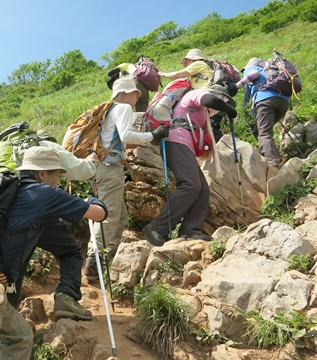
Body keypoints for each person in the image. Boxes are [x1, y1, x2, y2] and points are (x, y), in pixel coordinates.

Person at [0, 147, 107, 360]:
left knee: (20, 337)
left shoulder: (11, 195)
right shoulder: (43, 193)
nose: (59, 181)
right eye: (56, 174)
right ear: (42, 173)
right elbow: (99, 215)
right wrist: (95, 201)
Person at [84, 78, 169, 280]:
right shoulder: (122, 108)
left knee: (120, 216)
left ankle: (107, 256)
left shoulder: (109, 110)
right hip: (109, 169)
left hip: (102, 168)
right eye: (134, 93)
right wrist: (153, 134)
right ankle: (93, 261)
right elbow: (126, 136)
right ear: (123, 94)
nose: (136, 97)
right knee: (108, 215)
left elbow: (115, 140)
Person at [142, 85, 238, 245]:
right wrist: (230, 110)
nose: (219, 107)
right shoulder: (197, 94)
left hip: (182, 144)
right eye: (224, 100)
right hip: (175, 141)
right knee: (190, 185)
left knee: (202, 188)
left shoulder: (201, 112)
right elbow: (210, 99)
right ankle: (157, 228)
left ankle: (191, 230)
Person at [35, 130, 100, 320]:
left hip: (3, 212)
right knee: (70, 249)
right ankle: (66, 297)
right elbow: (81, 170)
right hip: (39, 207)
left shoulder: (11, 149)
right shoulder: (48, 147)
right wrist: (92, 160)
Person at [236, 57, 289, 169]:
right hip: (284, 101)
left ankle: (272, 163)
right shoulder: (272, 71)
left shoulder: (252, 68)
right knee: (257, 130)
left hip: (266, 100)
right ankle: (274, 155)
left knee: (264, 133)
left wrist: (237, 85)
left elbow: (253, 74)